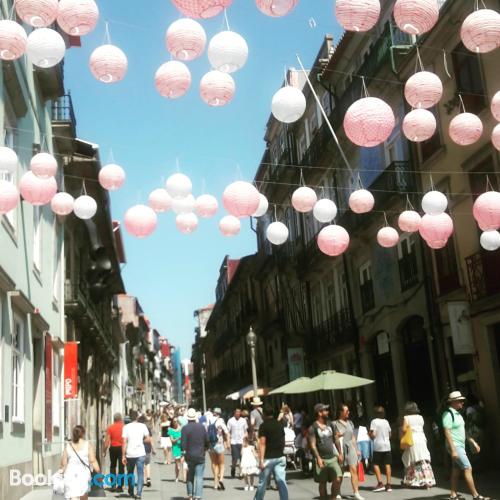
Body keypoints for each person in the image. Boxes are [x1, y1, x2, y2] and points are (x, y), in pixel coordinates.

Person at [443, 391, 490, 500]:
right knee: (467, 467)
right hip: (455, 446)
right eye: (460, 401)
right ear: (453, 402)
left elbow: (462, 430)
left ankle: (453, 495)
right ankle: (476, 496)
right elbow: (447, 432)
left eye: (462, 401)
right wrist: (454, 450)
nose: (462, 403)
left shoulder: (458, 414)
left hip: (459, 445)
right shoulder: (448, 414)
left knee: (456, 469)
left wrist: (472, 441)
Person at [308, 403, 343, 500]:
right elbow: (313, 445)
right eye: (325, 410)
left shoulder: (330, 424)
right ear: (319, 413)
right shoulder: (313, 427)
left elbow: (336, 439)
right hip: (321, 459)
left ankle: (333, 497)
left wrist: (340, 453)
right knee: (322, 483)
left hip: (332, 458)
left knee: (338, 478)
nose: (327, 412)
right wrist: (318, 458)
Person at [254, 404, 289, 500]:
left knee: (262, 483)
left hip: (268, 458)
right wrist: (280, 452)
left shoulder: (263, 426)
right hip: (280, 457)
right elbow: (283, 441)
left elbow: (262, 443)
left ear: (264, 414)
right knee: (281, 482)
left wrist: (261, 460)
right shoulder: (279, 425)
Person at [400, 401, 435, 489]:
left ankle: (413, 481)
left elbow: (404, 429)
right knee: (423, 459)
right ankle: (428, 480)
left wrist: (408, 428)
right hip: (422, 438)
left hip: (412, 439)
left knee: (413, 460)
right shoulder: (420, 417)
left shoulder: (406, 418)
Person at [60, 425, 100, 500]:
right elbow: (92, 460)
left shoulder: (68, 445)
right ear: (83, 433)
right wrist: (99, 473)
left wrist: (60, 474)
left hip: (70, 473)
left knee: (72, 494)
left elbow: (63, 464)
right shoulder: (87, 445)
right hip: (83, 474)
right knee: (84, 494)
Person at [334, 404, 364, 500]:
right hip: (341, 448)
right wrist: (339, 453)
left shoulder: (350, 422)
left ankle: (356, 492)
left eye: (348, 411)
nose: (348, 412)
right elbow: (335, 438)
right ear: (341, 412)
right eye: (346, 411)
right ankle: (337, 491)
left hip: (351, 447)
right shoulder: (335, 423)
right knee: (340, 472)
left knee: (353, 470)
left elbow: (353, 437)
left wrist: (357, 449)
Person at [122, 409, 151, 500]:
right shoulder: (143, 426)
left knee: (130, 473)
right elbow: (148, 439)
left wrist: (123, 455)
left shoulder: (126, 427)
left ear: (130, 417)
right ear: (137, 417)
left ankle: (131, 490)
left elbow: (124, 442)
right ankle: (138, 494)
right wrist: (141, 441)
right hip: (140, 453)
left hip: (130, 453)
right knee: (140, 473)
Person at [182, 407, 209, 500]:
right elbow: (207, 441)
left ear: (188, 418)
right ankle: (198, 496)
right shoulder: (202, 427)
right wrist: (205, 449)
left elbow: (183, 444)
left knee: (190, 476)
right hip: (200, 455)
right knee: (199, 476)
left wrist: (183, 455)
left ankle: (190, 495)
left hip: (189, 456)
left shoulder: (185, 428)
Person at [369, 405, 392, 493]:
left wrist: (370, 435)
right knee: (387, 464)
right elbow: (390, 434)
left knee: (375, 464)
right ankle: (389, 484)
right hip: (387, 445)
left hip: (378, 445)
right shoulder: (386, 421)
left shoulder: (374, 421)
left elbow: (373, 434)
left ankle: (380, 483)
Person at [207, 407, 229, 491]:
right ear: (219, 413)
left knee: (214, 463)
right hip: (219, 443)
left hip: (210, 444)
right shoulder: (220, 420)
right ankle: (221, 479)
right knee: (221, 463)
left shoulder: (208, 419)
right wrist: (227, 442)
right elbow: (226, 432)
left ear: (213, 412)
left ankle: (215, 483)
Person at [102, 413, 124, 493]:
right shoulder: (124, 427)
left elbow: (107, 440)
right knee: (121, 467)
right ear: (120, 419)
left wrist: (104, 451)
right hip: (122, 448)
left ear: (114, 419)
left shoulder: (110, 428)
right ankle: (120, 486)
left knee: (113, 466)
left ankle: (113, 485)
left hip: (113, 448)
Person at [227, 407, 249, 478]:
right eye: (237, 412)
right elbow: (228, 432)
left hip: (241, 442)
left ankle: (241, 473)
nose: (238, 413)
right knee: (235, 459)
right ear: (234, 412)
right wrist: (228, 442)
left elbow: (246, 431)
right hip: (234, 442)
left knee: (242, 458)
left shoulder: (243, 421)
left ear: (240, 413)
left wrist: (246, 441)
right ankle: (233, 468)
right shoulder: (230, 421)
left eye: (239, 412)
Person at [138, 415, 155, 488]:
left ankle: (143, 480)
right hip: (147, 447)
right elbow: (150, 439)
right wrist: (153, 449)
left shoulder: (137, 429)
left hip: (139, 448)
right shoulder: (147, 428)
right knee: (147, 463)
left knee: (141, 464)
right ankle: (148, 478)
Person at [168, 417, 185, 483]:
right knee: (177, 464)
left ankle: (184, 478)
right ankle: (177, 477)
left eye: (177, 421)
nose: (176, 422)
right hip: (175, 448)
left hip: (182, 447)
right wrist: (178, 438)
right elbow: (172, 440)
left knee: (183, 462)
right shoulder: (171, 430)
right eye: (174, 421)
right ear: (172, 422)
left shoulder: (182, 429)